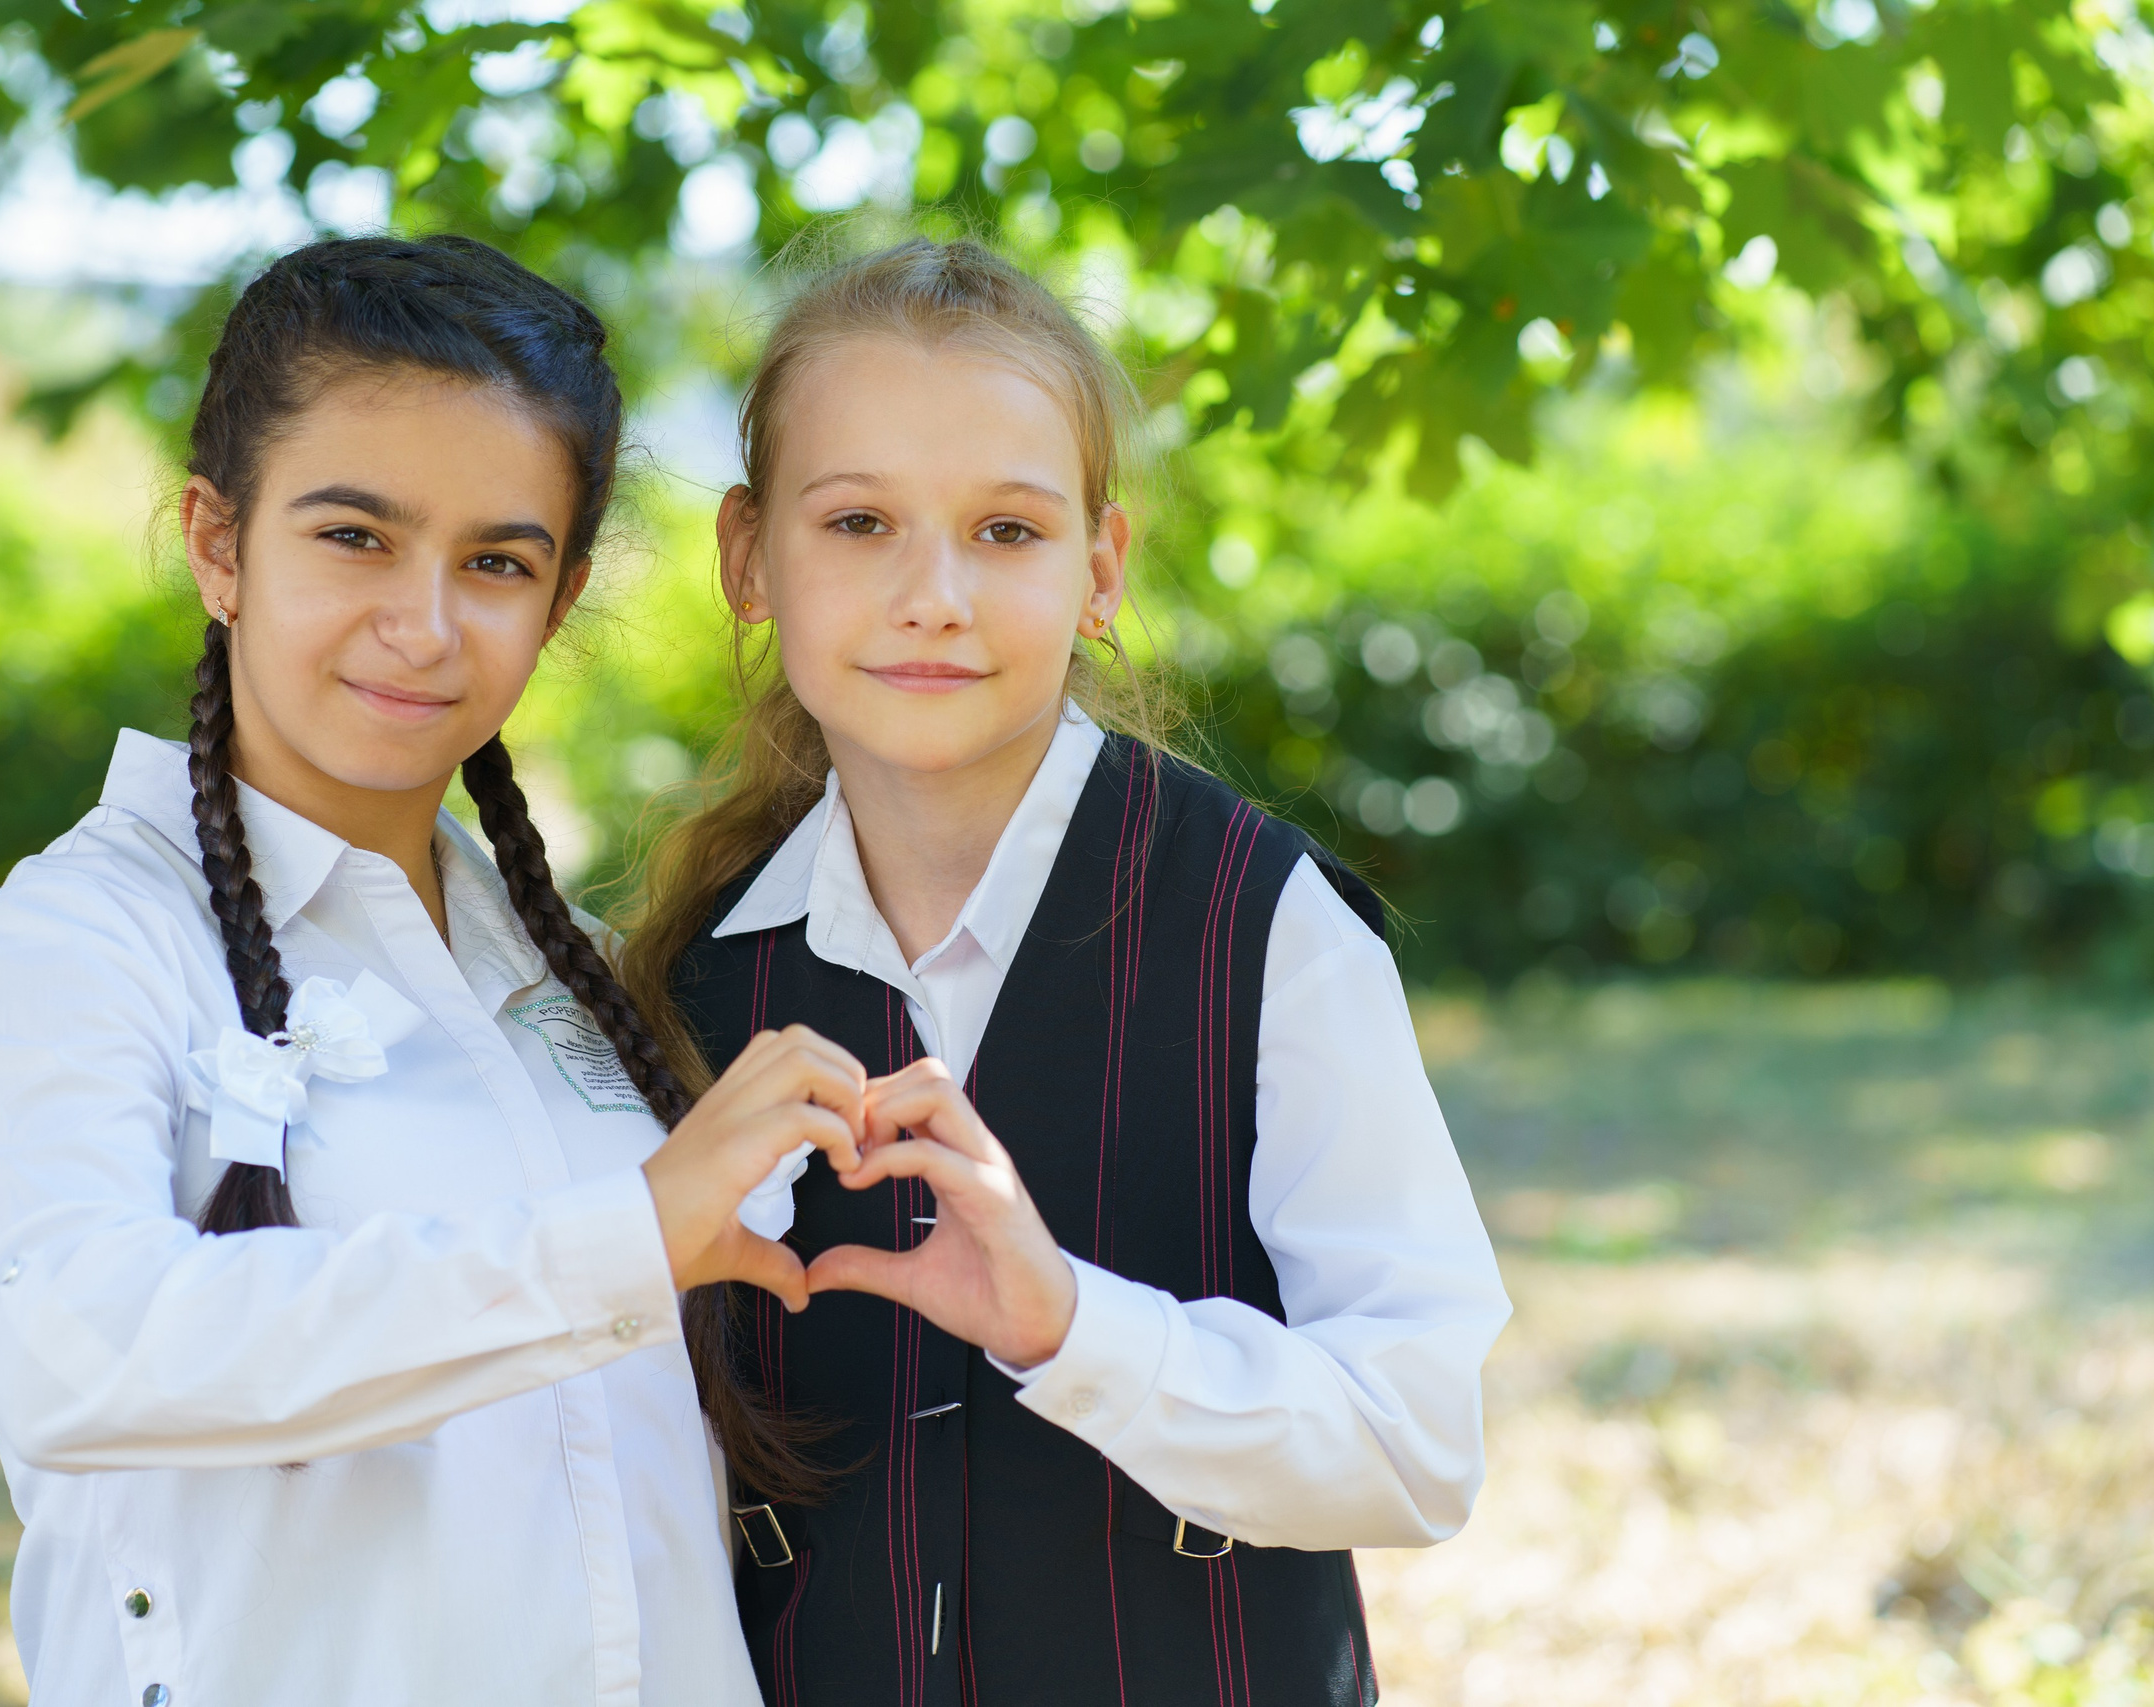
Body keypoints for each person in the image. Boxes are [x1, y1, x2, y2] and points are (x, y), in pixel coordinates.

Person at [0, 234, 871, 1706]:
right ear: (217, 544)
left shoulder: (585, 975)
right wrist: (624, 1236)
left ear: (555, 608)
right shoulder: (78, 941)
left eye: (496, 562)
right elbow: (81, 1355)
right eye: (354, 536)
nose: (423, 625)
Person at [619, 238, 1513, 1705]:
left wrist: (1074, 1328)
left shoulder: (1266, 928)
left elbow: (1419, 1448)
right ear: (747, 556)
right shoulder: (686, 981)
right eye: (856, 522)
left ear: (1101, 568)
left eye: (1007, 532)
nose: (933, 595)